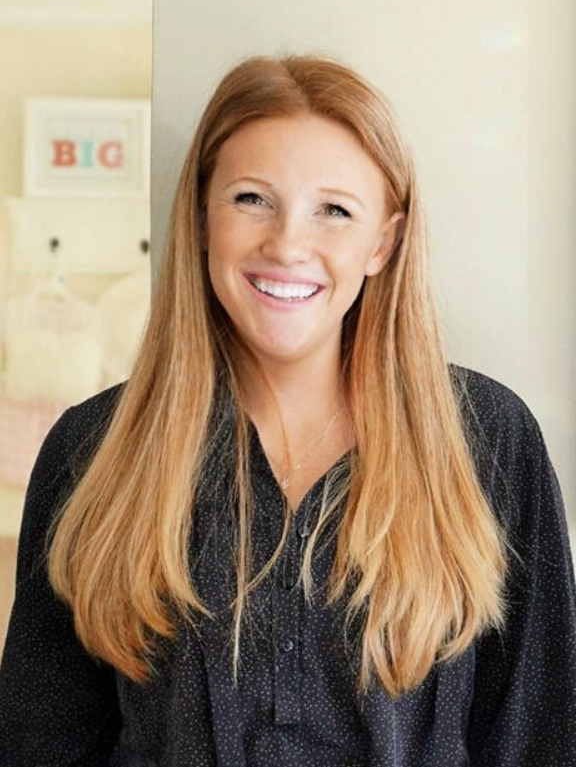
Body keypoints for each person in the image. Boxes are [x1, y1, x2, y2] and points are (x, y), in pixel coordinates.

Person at [0, 53, 575, 767]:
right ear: (202, 216)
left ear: (383, 242)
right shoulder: (93, 448)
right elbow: (38, 740)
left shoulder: (488, 439)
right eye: (251, 199)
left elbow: (540, 734)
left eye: (334, 210)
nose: (288, 244)